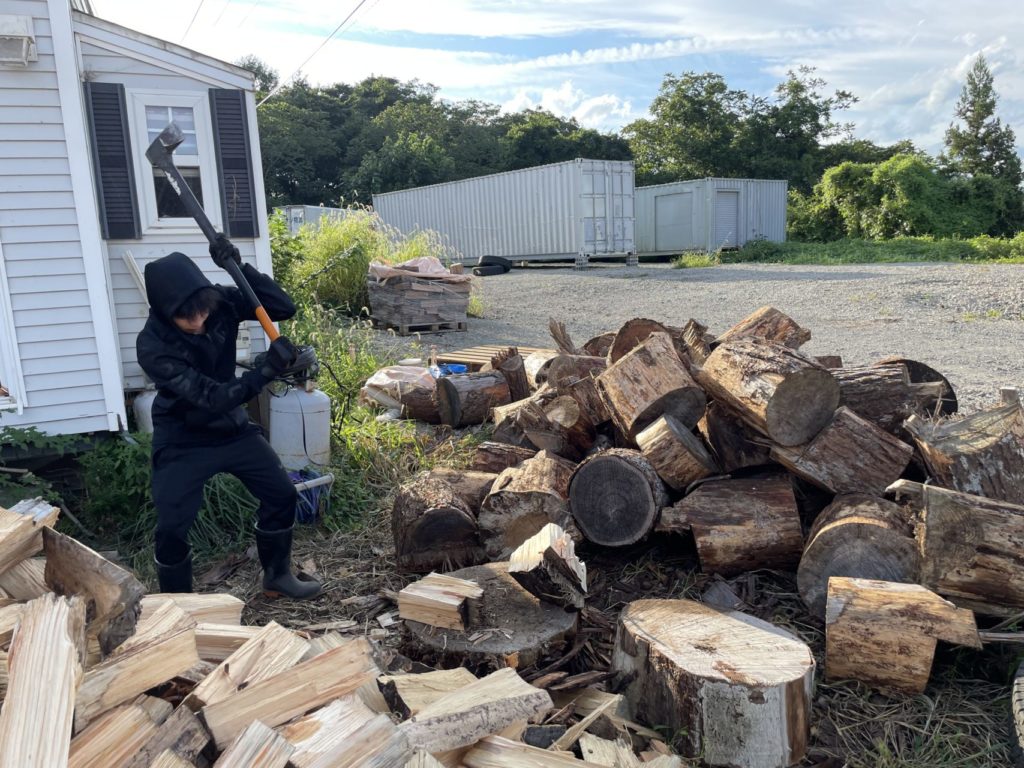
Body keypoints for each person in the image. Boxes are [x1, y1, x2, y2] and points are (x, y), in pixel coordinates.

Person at [136, 235, 321, 600]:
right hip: (183, 439)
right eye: (186, 318)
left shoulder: (218, 302)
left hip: (232, 431)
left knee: (281, 495)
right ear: (164, 312)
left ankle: (277, 576)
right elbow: (212, 397)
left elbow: (283, 306)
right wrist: (266, 370)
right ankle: (179, 606)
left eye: (203, 311)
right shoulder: (153, 345)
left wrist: (239, 269)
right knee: (172, 528)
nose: (199, 321)